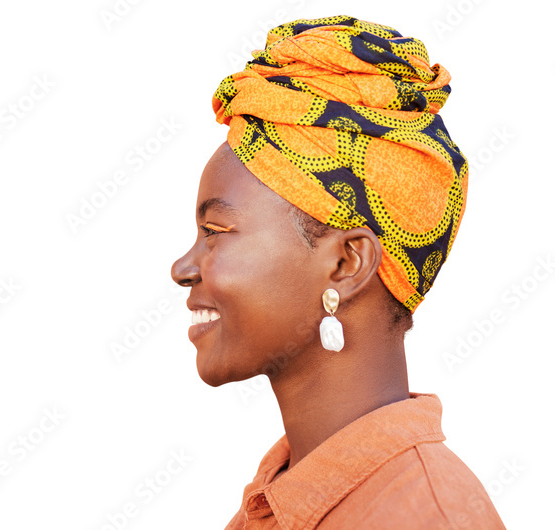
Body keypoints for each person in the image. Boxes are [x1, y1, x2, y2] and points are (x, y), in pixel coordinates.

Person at [170, 16, 506, 529]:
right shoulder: (281, 496)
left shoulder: (422, 517)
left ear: (347, 264)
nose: (183, 267)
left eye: (215, 229)